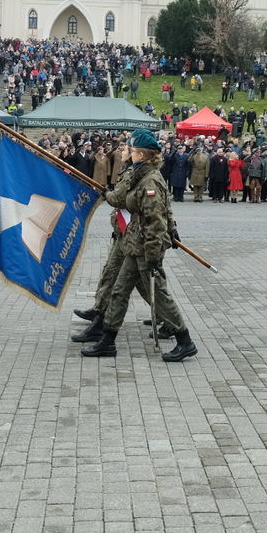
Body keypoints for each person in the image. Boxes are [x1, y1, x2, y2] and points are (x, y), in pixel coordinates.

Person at [80, 129, 198, 362]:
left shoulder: (150, 180)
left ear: (142, 154)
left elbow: (156, 222)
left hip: (146, 246)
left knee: (159, 294)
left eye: (131, 149)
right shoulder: (139, 175)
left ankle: (185, 341)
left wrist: (154, 255)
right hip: (135, 243)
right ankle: (108, 340)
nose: (128, 152)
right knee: (119, 290)